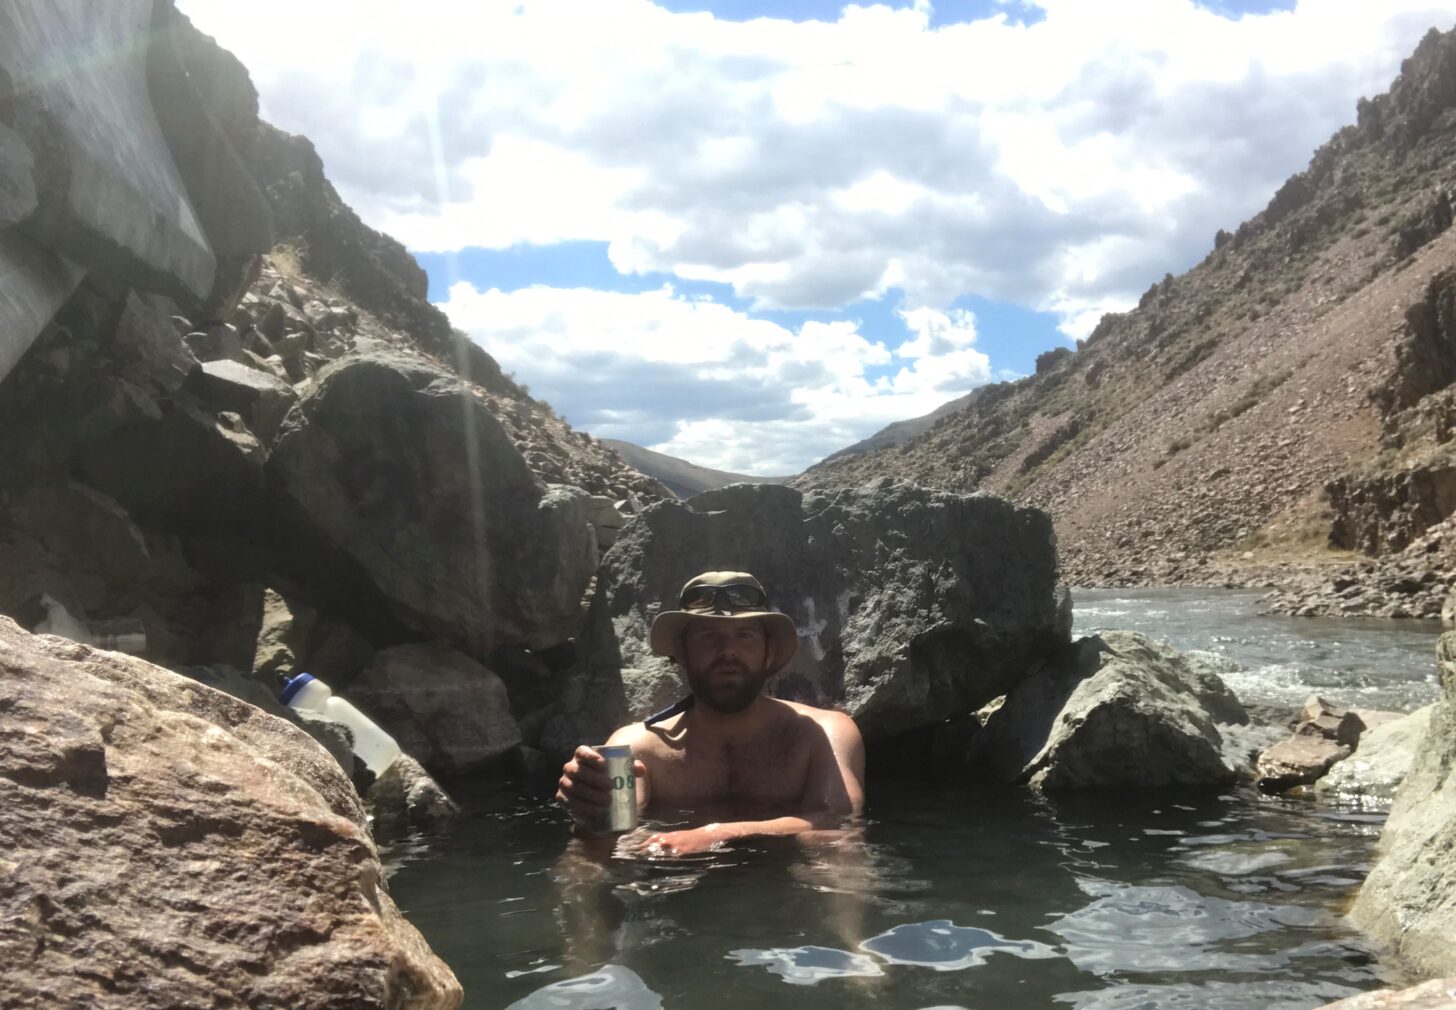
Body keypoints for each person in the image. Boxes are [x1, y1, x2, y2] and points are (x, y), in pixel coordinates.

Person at [556, 571, 866, 855]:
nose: (727, 651)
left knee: (843, 858)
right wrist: (589, 812)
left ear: (769, 651)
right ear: (682, 653)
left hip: (789, 888)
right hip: (679, 895)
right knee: (582, 866)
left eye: (744, 635)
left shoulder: (822, 733)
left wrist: (719, 834)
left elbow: (839, 827)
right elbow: (608, 842)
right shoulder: (638, 748)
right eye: (708, 637)